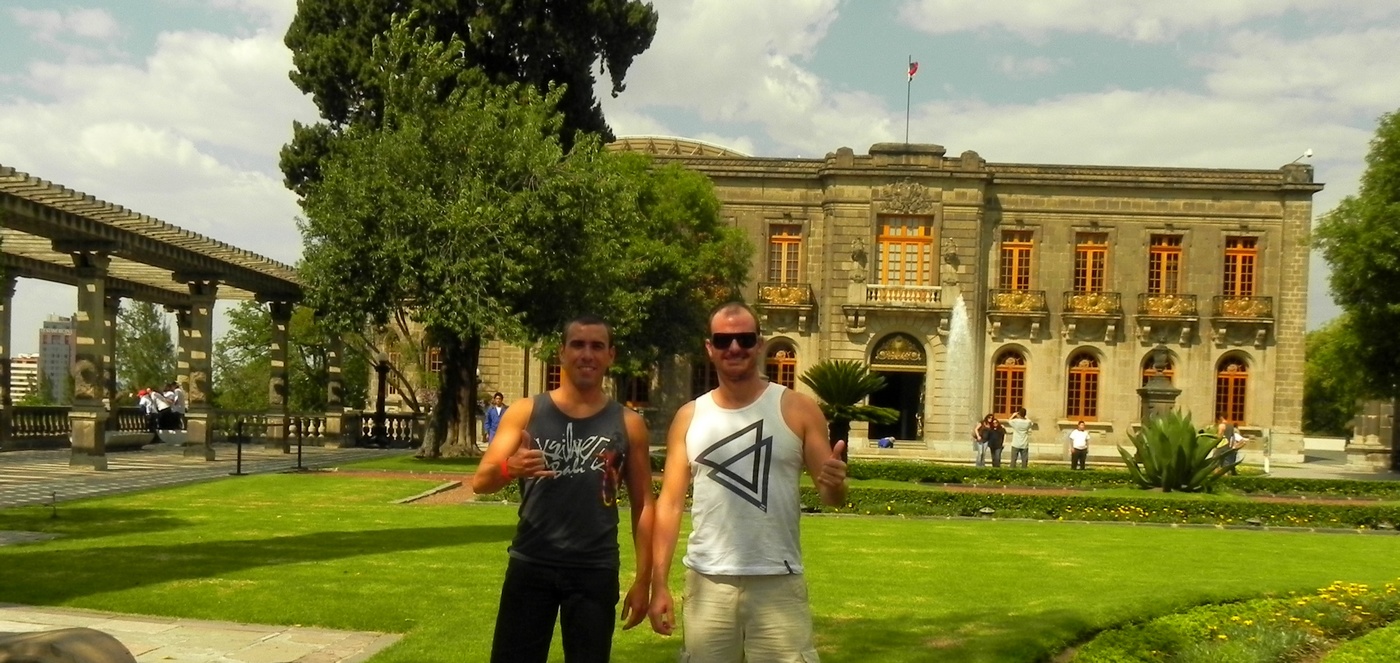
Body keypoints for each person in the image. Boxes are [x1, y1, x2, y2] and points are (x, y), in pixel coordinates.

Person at [649, 302, 847, 662]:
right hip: (708, 582)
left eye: (744, 338)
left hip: (778, 581)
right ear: (709, 348)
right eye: (723, 340)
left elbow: (832, 496)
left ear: (759, 344)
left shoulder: (798, 409)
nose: (734, 347)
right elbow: (670, 504)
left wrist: (835, 483)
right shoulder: (689, 417)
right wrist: (658, 582)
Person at [471, 315, 655, 663]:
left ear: (611, 355)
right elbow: (481, 481)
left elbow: (644, 503)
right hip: (531, 562)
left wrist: (644, 579)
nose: (587, 354)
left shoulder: (629, 423)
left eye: (597, 346)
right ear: (561, 352)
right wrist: (511, 468)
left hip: (594, 569)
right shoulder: (526, 411)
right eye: (578, 344)